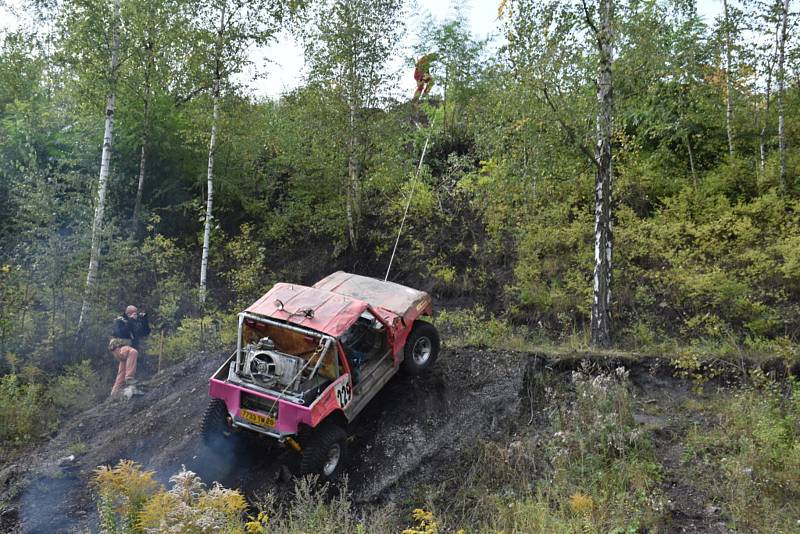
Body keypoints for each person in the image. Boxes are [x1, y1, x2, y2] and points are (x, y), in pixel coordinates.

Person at [108, 305, 151, 397]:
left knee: (122, 371)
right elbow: (121, 333)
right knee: (133, 352)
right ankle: (130, 378)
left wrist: (144, 320)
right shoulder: (119, 321)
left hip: (126, 350)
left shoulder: (134, 322)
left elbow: (145, 332)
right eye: (133, 313)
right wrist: (131, 321)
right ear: (128, 313)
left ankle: (114, 392)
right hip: (118, 347)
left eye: (136, 313)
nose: (135, 315)